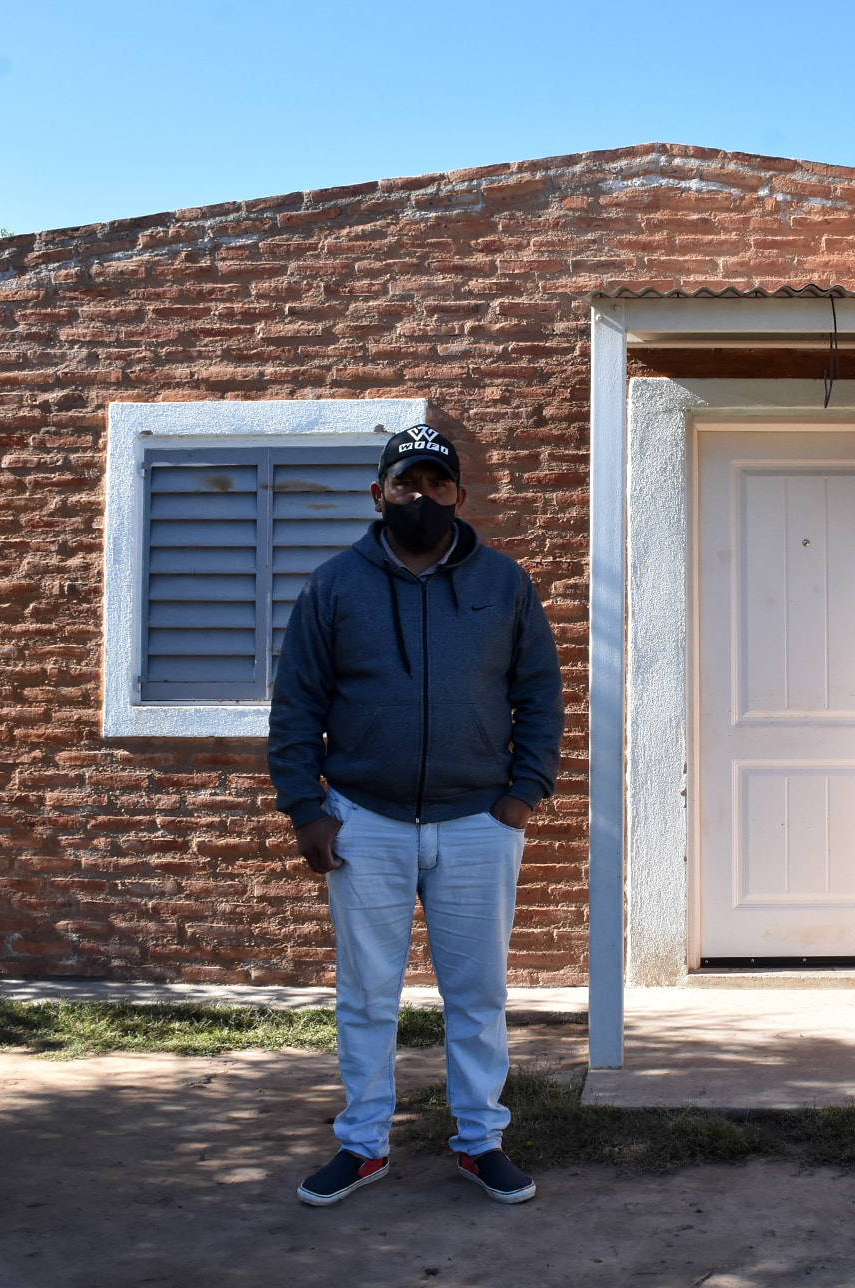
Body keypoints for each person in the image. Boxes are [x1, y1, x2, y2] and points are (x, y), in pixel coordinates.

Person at [268, 424, 564, 1208]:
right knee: (367, 996)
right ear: (379, 494)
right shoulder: (334, 586)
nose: (421, 498)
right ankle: (363, 1145)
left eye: (437, 485)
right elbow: (296, 705)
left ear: (459, 495)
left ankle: (481, 1142)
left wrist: (521, 797)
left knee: (477, 995)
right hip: (365, 820)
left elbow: (540, 694)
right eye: (406, 484)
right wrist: (306, 809)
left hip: (478, 821)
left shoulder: (505, 584)